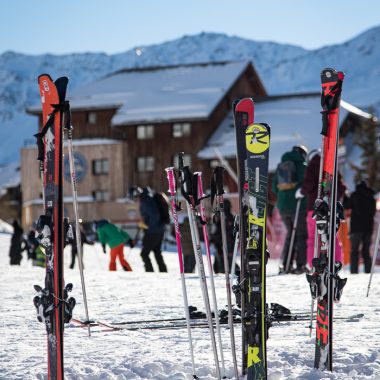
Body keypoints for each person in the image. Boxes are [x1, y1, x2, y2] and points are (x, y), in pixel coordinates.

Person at [296, 151, 346, 268]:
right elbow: (341, 186)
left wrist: (301, 192)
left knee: (313, 237)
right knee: (333, 236)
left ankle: (313, 263)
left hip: (315, 208)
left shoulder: (313, 165)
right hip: (331, 207)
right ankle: (336, 262)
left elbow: (309, 184)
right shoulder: (332, 166)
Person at [272, 145, 308, 274]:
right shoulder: (303, 166)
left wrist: (283, 196)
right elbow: (307, 185)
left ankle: (286, 264)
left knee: (290, 234)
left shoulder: (280, 166)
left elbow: (274, 187)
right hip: (297, 205)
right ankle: (300, 265)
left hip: (282, 206)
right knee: (301, 235)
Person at [132, 187, 168, 272]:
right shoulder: (149, 199)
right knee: (157, 252)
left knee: (144, 254)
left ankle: (150, 273)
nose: (135, 201)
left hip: (153, 232)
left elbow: (154, 218)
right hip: (159, 230)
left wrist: (145, 226)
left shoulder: (146, 202)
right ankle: (163, 272)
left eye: (134, 198)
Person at [344, 181, 376, 274]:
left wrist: (346, 197)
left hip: (356, 228)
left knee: (354, 251)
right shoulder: (371, 197)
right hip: (368, 228)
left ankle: (354, 272)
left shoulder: (355, 195)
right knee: (366, 251)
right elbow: (373, 212)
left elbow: (346, 206)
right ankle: (368, 271)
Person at [210, 199, 235, 274]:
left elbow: (231, 231)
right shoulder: (220, 216)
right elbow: (215, 229)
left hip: (227, 243)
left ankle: (225, 272)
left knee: (226, 262)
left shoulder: (229, 217)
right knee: (222, 261)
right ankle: (223, 272)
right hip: (221, 243)